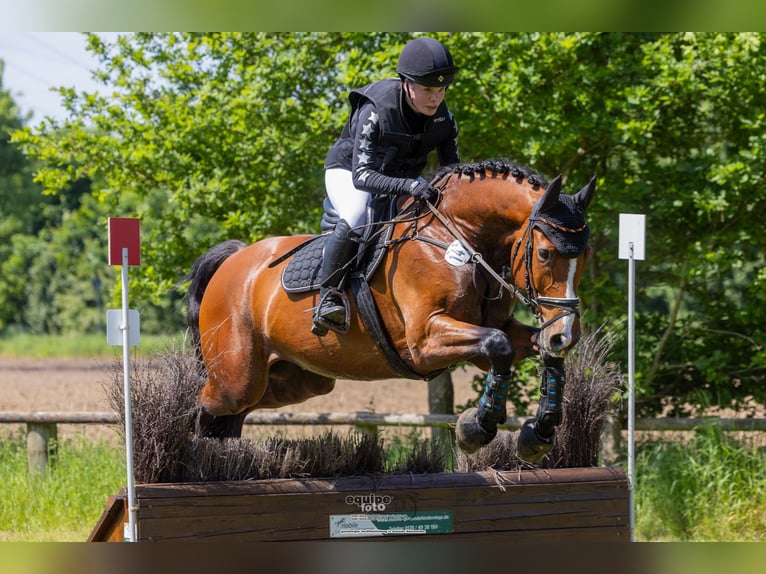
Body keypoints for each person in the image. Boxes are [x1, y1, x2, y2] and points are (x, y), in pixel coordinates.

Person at [312, 36, 460, 336]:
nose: (436, 98)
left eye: (442, 90)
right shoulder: (377, 109)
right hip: (349, 172)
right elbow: (362, 177)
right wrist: (410, 186)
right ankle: (328, 297)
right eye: (428, 89)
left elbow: (451, 171)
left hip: (402, 178)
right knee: (356, 214)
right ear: (406, 84)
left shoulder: (444, 119)